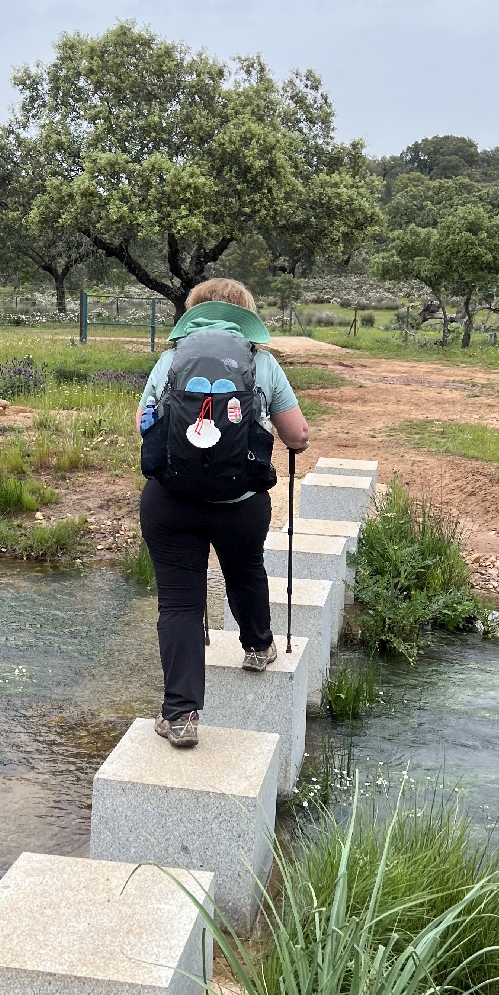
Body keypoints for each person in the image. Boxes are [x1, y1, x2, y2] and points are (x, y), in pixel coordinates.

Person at [136, 278, 309, 748]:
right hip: (241, 504)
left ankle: (181, 716)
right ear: (247, 317)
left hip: (170, 502)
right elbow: (296, 434)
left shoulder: (170, 360)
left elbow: (143, 424)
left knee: (179, 603)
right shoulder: (263, 364)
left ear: (193, 314)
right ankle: (257, 647)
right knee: (245, 569)